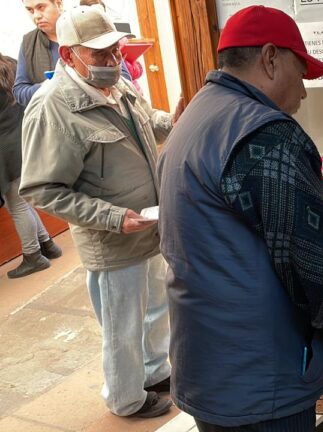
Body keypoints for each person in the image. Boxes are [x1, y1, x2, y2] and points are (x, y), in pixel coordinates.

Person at [157, 6, 323, 431]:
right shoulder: (266, 134)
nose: (304, 93)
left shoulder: (194, 116)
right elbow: (316, 264)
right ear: (270, 59)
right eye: (301, 72)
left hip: (207, 363)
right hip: (260, 380)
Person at [19, 6, 182, 418]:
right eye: (99, 55)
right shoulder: (53, 108)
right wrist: (114, 218)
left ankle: (153, 371)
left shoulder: (119, 86)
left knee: (155, 309)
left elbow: (147, 123)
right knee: (121, 325)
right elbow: (42, 189)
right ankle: (125, 398)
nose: (111, 62)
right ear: (69, 54)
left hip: (148, 225)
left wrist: (177, 120)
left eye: (115, 51)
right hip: (111, 237)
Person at [0, 52, 62, 278]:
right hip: (23, 139)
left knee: (15, 204)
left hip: (6, 149)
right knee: (23, 199)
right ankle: (47, 244)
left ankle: (33, 256)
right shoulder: (10, 63)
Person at [14, 0, 131, 106]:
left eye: (41, 7)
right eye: (30, 10)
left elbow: (124, 78)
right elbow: (19, 91)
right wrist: (50, 87)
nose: (36, 16)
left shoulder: (89, 29)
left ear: (59, 3)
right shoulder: (28, 43)